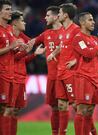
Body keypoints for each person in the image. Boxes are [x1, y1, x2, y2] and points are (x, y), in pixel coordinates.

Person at [72, 12, 98, 135]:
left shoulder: (94, 39)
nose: (93, 22)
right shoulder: (78, 38)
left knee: (89, 111)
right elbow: (89, 54)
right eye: (90, 20)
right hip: (84, 77)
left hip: (95, 78)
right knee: (81, 110)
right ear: (82, 22)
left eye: (93, 19)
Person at [9, 10, 44, 135]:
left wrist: (34, 54)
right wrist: (26, 50)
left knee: (15, 111)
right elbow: (11, 58)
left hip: (21, 78)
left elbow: (23, 60)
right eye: (22, 21)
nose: (25, 23)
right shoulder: (10, 39)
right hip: (10, 78)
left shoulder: (21, 39)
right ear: (14, 23)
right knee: (8, 110)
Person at [33, 6, 63, 135]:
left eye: (48, 15)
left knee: (71, 106)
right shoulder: (46, 34)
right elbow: (32, 42)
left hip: (65, 75)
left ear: (56, 17)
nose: (45, 17)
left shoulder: (68, 32)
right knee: (55, 107)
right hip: (51, 76)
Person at [0, 1, 25, 134]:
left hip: (9, 74)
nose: (10, 11)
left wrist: (18, 48)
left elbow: (10, 51)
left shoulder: (8, 30)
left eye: (11, 9)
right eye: (7, 9)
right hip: (1, 74)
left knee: (6, 109)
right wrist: (11, 47)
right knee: (4, 109)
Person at [56, 3, 80, 135]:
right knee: (61, 105)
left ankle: (89, 131)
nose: (58, 15)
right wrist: (53, 54)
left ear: (65, 15)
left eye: (59, 13)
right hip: (60, 71)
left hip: (70, 72)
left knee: (77, 106)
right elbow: (62, 46)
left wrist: (75, 60)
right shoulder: (63, 30)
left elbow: (84, 47)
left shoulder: (76, 29)